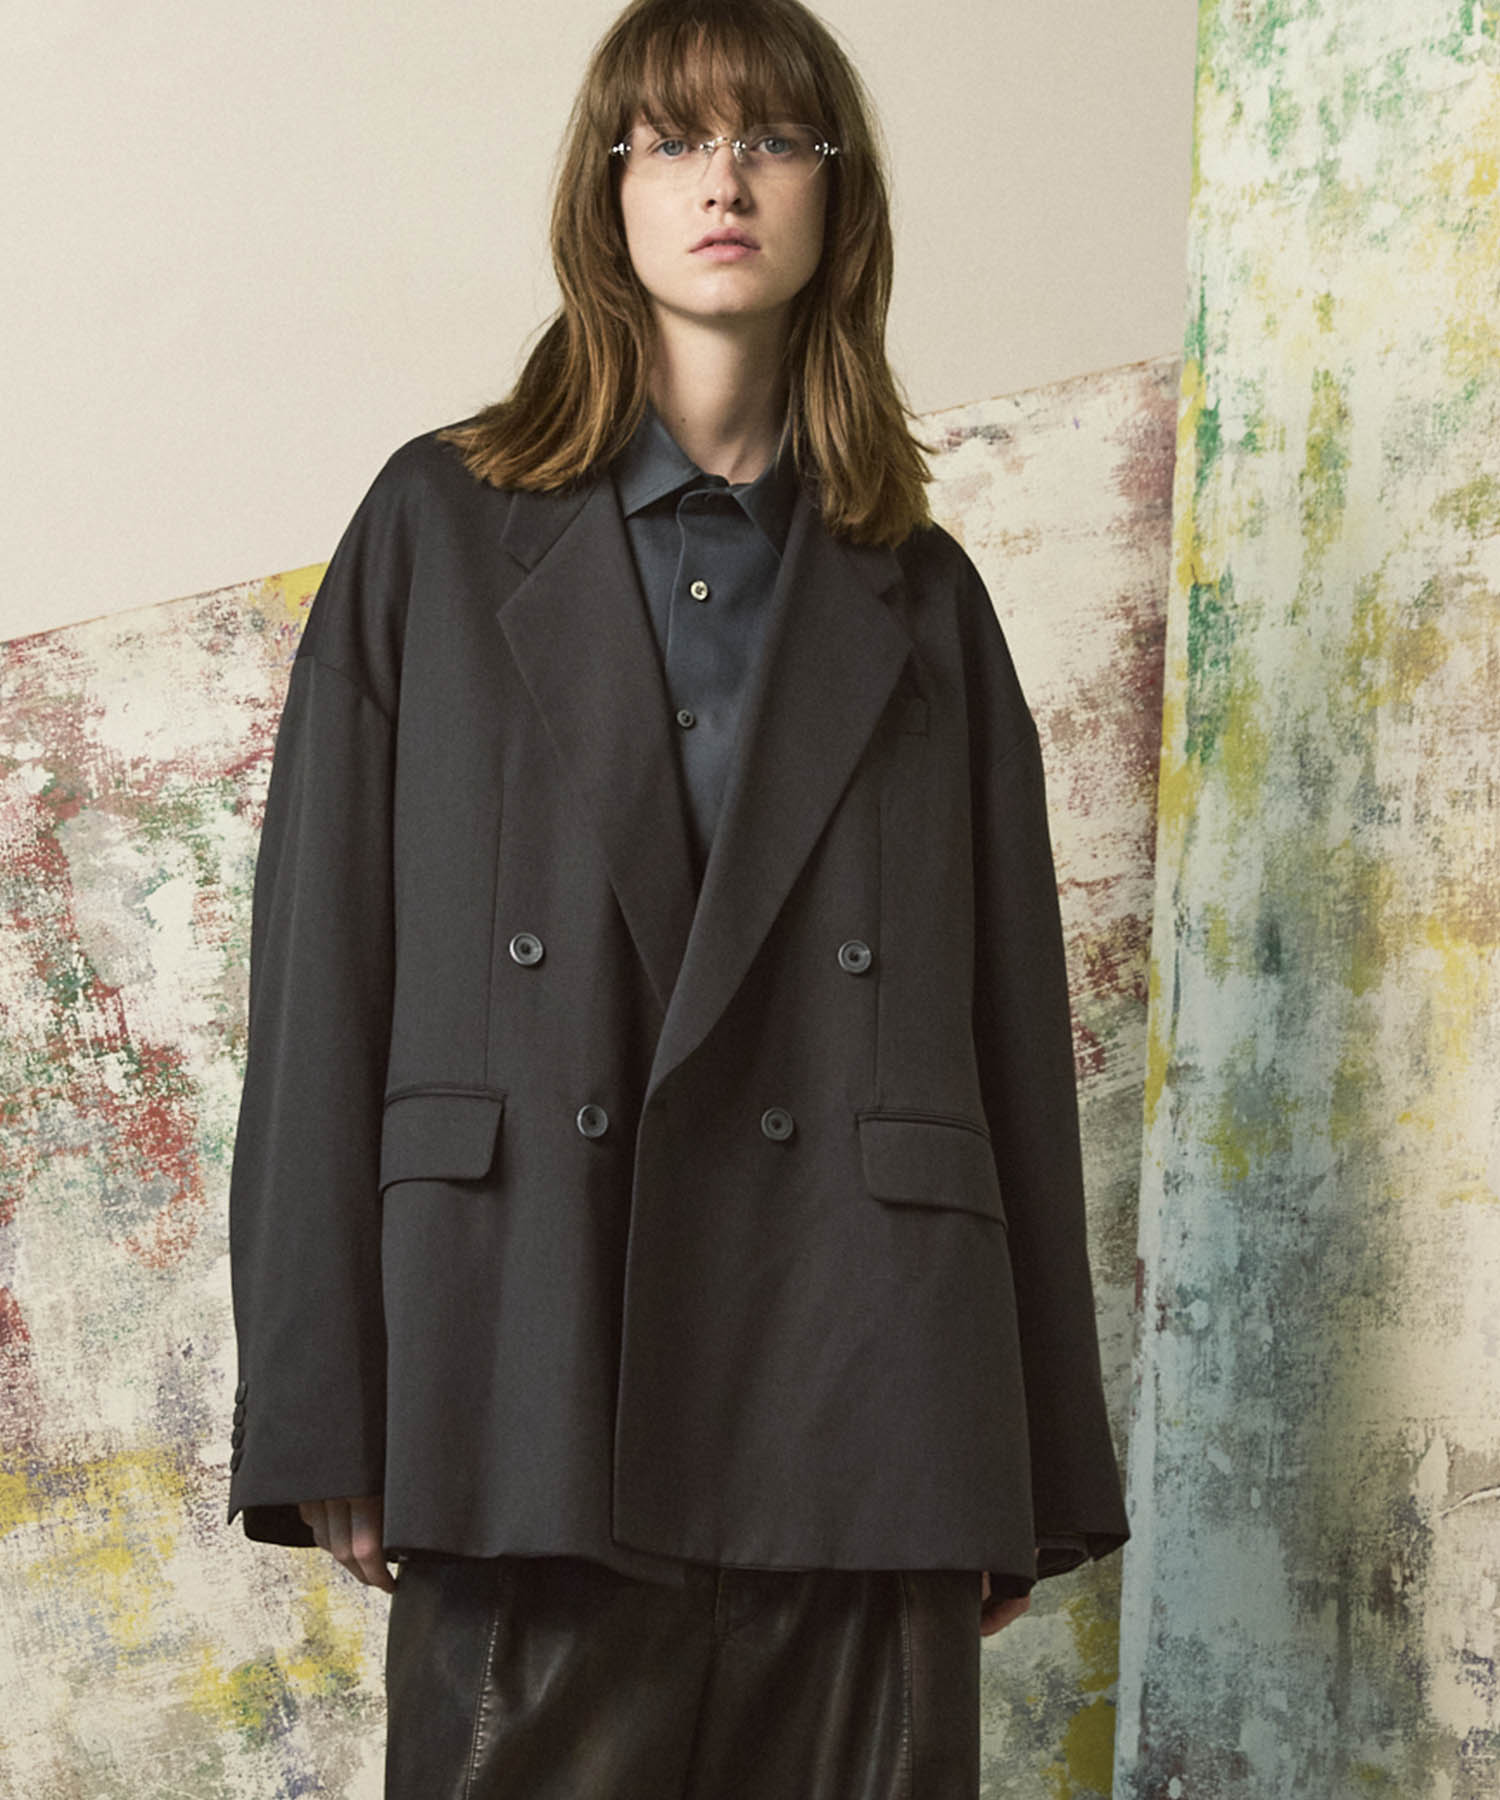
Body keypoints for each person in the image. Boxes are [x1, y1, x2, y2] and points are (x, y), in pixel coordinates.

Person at [225, 0, 1129, 1793]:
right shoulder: (435, 530)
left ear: (835, 199)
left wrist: (1022, 1461)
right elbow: (323, 971)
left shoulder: (924, 596)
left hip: (864, 1389)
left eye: (775, 139)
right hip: (523, 1361)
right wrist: (326, 1402)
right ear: (611, 189)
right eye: (679, 139)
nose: (727, 180)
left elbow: (1013, 1034)